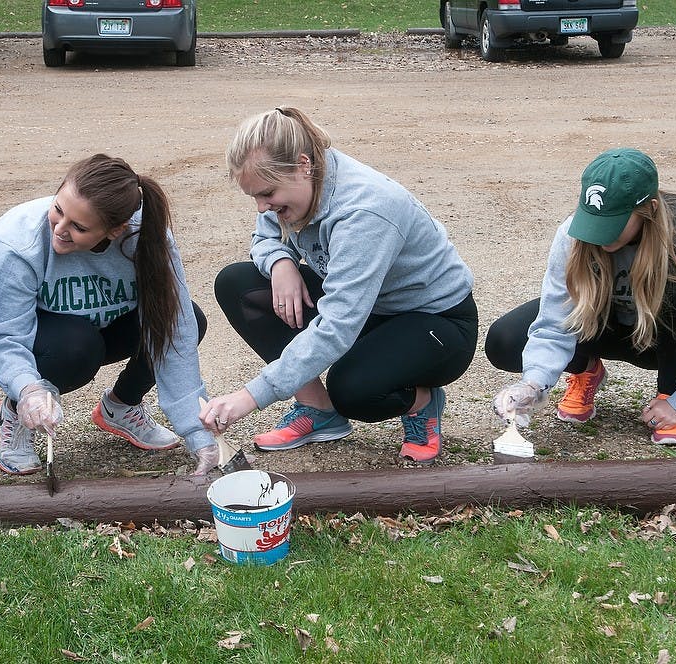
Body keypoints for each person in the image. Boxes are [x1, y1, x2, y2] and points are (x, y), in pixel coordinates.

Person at [199, 107, 479, 465]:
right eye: (254, 197)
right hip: (367, 308)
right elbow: (264, 238)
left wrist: (250, 396)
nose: (262, 207)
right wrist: (281, 263)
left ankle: (423, 403)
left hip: (434, 321)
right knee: (239, 284)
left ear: (303, 165)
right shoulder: (290, 187)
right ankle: (319, 412)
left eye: (266, 193)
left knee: (354, 390)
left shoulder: (365, 210)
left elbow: (339, 325)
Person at [0, 154, 219, 476]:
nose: (59, 229)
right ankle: (17, 411)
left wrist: (198, 434)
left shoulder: (148, 239)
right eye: (58, 209)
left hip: (90, 321)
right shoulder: (22, 240)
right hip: (1, 325)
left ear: (115, 231)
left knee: (188, 320)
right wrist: (28, 389)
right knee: (78, 348)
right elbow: (4, 334)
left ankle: (121, 406)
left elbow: (175, 329)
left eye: (79, 227)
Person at [487, 147, 676, 445]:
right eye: (594, 221)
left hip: (662, 340)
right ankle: (586, 370)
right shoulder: (572, 234)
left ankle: (669, 394)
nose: (600, 235)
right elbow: (554, 322)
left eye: (613, 223)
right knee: (505, 340)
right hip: (605, 329)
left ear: (648, 209)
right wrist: (533, 385)